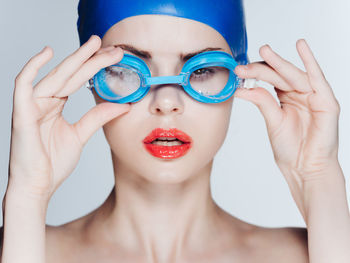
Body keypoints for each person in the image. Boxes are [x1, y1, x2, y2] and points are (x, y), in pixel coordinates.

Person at [1, 0, 350, 262]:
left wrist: (318, 179)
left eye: (201, 71)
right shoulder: (20, 244)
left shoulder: (306, 255)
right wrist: (27, 196)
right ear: (89, 79)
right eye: (128, 70)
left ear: (239, 77)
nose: (167, 102)